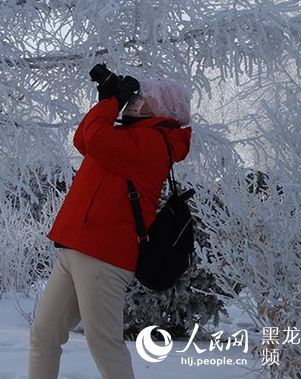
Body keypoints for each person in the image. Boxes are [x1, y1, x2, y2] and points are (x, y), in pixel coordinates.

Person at [28, 65, 192, 379]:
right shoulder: (126, 135)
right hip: (77, 246)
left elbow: (95, 138)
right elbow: (83, 139)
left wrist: (110, 104)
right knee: (44, 336)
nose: (133, 101)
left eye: (141, 98)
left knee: (103, 345)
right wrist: (107, 100)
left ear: (159, 108)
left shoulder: (155, 144)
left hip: (105, 256)